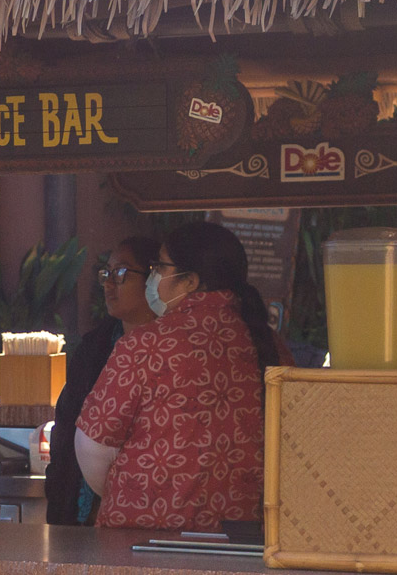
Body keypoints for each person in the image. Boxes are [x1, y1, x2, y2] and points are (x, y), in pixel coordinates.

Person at [74, 219, 282, 532]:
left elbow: (94, 444)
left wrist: (129, 487)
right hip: (243, 533)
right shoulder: (270, 346)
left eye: (160, 267)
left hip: (146, 533)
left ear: (189, 281)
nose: (154, 278)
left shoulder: (145, 343)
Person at [45, 234, 160, 525]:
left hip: (147, 509)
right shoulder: (94, 347)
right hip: (82, 507)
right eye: (106, 273)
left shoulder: (173, 349)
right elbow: (66, 425)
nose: (109, 284)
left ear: (156, 279)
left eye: (121, 273)